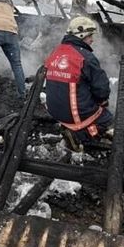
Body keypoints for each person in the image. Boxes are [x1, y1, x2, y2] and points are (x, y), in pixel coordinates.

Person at [44, 16, 112, 152]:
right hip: (74, 114)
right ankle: (82, 135)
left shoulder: (56, 52)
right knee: (106, 118)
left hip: (53, 111)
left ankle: (68, 127)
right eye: (90, 36)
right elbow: (102, 89)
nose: (92, 40)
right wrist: (102, 102)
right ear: (81, 35)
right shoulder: (85, 57)